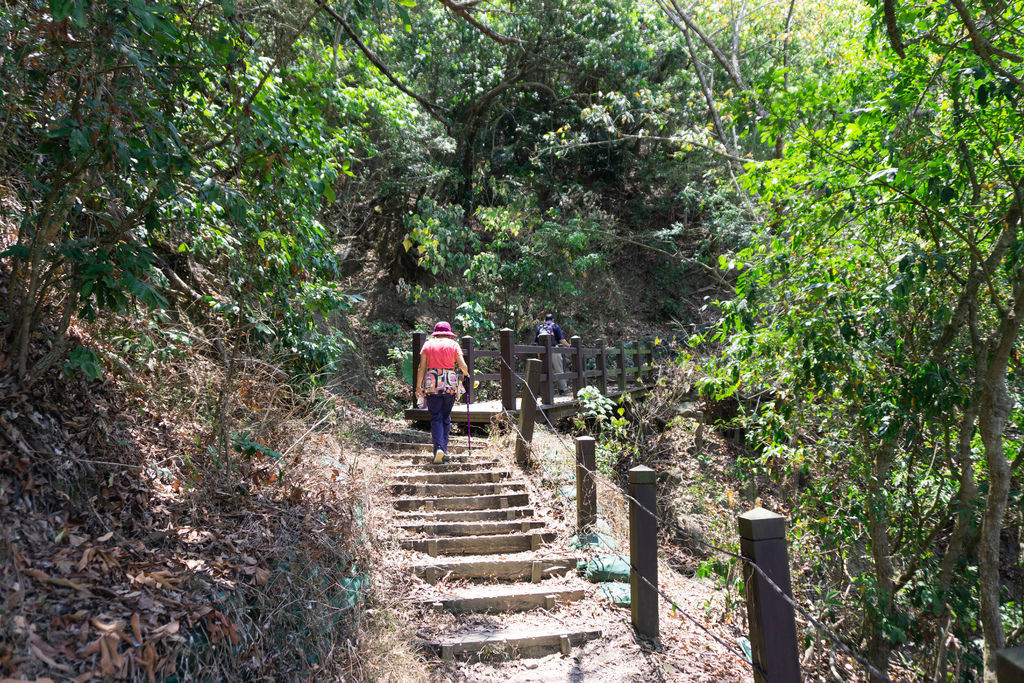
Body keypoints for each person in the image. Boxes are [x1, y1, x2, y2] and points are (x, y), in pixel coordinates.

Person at [415, 321, 469, 464]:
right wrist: (465, 373)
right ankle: (443, 450)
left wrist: (418, 387)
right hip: (449, 382)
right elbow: (463, 365)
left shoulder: (428, 344)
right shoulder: (453, 345)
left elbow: (421, 367)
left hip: (432, 381)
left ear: (436, 333)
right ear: (449, 333)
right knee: (446, 417)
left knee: (436, 417)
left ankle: (439, 448)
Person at [535, 313, 571, 394]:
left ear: (544, 320)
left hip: (542, 350)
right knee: (558, 369)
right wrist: (569, 345)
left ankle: (543, 391)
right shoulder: (555, 326)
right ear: (553, 320)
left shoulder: (540, 327)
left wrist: (538, 353)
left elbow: (536, 342)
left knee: (544, 370)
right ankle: (563, 389)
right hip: (554, 349)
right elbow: (561, 340)